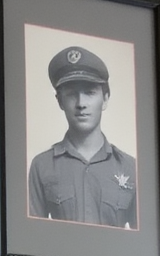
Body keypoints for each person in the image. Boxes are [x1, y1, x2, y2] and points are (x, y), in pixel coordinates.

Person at [28, 46, 136, 229]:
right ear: (60, 101)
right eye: (72, 94)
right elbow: (31, 238)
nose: (81, 104)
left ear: (106, 98)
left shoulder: (130, 167)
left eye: (90, 93)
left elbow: (144, 244)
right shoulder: (42, 166)